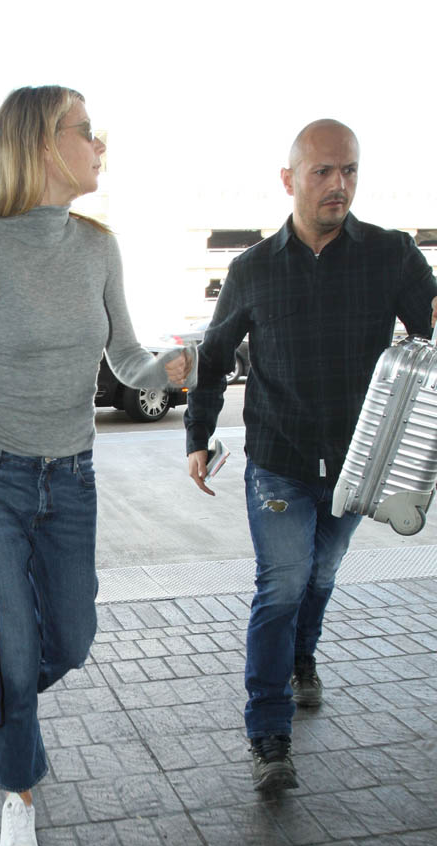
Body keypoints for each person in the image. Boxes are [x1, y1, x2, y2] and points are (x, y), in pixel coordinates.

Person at [0, 85, 195, 846]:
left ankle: (0, 697)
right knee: (14, 651)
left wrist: (166, 368)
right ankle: (19, 793)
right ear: (43, 145)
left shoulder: (98, 247)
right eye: (86, 130)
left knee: (71, 641)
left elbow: (125, 357)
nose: (99, 143)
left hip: (71, 480)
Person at [185, 119, 437, 794]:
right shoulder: (253, 269)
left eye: (349, 170)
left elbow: (430, 330)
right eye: (323, 171)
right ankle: (269, 734)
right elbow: (213, 357)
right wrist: (198, 436)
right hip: (279, 458)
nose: (338, 184)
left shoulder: (391, 255)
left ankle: (302, 658)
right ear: (289, 179)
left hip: (358, 466)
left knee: (320, 575)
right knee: (284, 583)